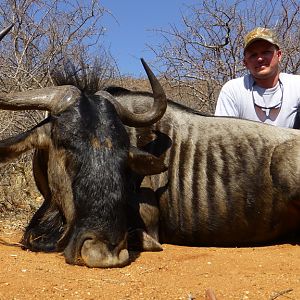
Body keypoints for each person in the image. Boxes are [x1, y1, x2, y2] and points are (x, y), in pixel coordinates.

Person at [215, 27, 300, 128]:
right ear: (245, 63)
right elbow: (223, 134)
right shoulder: (232, 90)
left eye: (266, 52)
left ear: (279, 55)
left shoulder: (296, 85)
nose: (260, 58)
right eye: (253, 55)